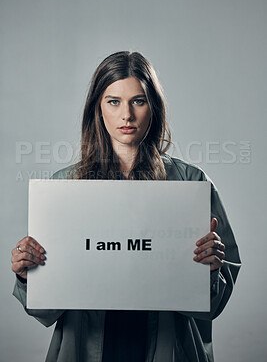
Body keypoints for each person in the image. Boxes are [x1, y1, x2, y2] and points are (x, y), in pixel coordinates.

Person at [11, 51, 241, 362]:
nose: (127, 116)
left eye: (138, 101)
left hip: (168, 347)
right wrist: (29, 276)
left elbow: (213, 306)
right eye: (114, 101)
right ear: (98, 109)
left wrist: (212, 270)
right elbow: (44, 310)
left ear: (154, 107)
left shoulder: (192, 183)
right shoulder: (64, 187)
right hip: (84, 347)